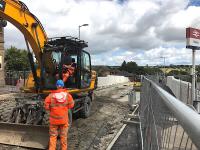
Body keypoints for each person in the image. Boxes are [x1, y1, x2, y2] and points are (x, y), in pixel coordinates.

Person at [44, 80, 74, 150]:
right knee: (63, 136)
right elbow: (71, 105)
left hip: (53, 121)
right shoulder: (67, 95)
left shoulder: (51, 95)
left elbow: (46, 105)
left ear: (57, 86)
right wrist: (65, 108)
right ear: (63, 86)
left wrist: (51, 109)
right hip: (64, 120)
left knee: (53, 136)